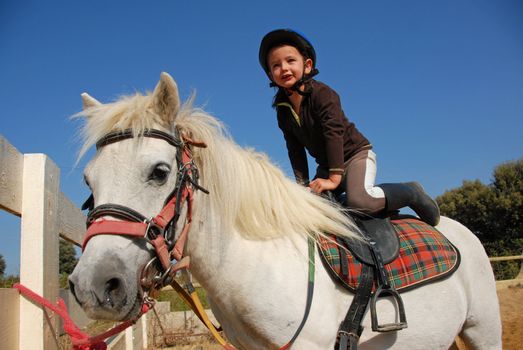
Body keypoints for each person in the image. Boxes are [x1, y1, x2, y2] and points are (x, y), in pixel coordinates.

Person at [258, 29, 440, 226]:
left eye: (290, 61)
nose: (284, 68)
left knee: (360, 201)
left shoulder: (323, 94)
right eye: (276, 65)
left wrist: (334, 178)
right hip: (327, 166)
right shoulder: (282, 110)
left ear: (307, 65)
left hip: (355, 156)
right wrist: (302, 186)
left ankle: (410, 191)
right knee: (311, 207)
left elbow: (333, 133)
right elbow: (295, 150)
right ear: (270, 74)